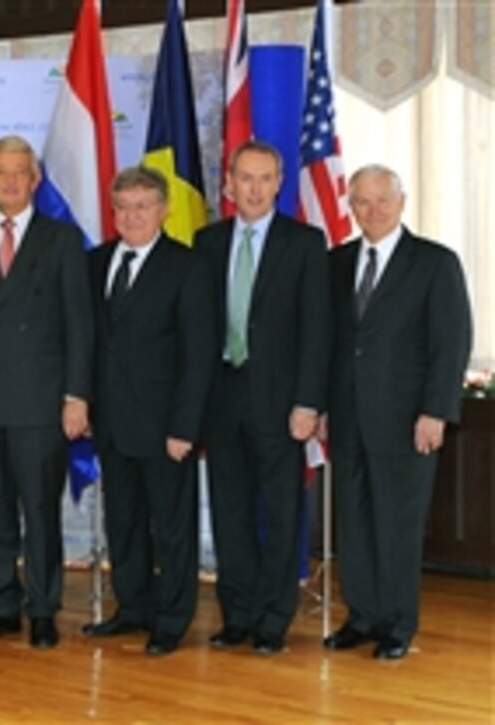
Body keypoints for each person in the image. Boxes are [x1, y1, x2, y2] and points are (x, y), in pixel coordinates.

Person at [322, 165, 471, 660]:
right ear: (351, 206)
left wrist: (436, 411)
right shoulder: (336, 263)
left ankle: (397, 625)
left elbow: (450, 345)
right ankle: (361, 616)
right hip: (346, 418)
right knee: (355, 524)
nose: (373, 210)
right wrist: (322, 406)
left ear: (401, 202)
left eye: (382, 200)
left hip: (408, 422)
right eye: (362, 202)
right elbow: (327, 345)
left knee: (397, 525)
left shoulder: (434, 263)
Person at [193, 140, 330, 655]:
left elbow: (317, 332)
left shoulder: (304, 243)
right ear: (228, 184)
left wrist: (308, 403)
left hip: (280, 404)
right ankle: (238, 615)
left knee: (279, 514)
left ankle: (273, 619)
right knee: (229, 514)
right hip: (222, 400)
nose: (253, 188)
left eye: (264, 178)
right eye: (244, 178)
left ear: (279, 183)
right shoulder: (207, 242)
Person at [0, 136, 92, 649]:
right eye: (1, 172)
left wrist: (77, 395)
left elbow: (80, 325)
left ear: (35, 181)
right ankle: (2, 605)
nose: (11, 181)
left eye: (21, 172)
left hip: (42, 400)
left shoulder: (60, 240)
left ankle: (42, 608)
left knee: (39, 509)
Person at [85, 166, 216, 655]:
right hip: (113, 425)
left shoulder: (187, 266)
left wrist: (185, 426)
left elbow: (198, 355)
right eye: (123, 206)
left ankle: (172, 618)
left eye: (143, 206)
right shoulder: (95, 263)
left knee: (173, 528)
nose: (132, 215)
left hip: (166, 429)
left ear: (162, 210)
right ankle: (133, 608)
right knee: (125, 524)